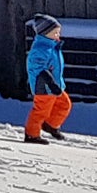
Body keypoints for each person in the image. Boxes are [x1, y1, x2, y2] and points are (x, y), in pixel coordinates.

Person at [22, 15, 71, 143]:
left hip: (56, 85)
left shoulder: (53, 47)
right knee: (41, 111)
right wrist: (50, 82)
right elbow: (38, 68)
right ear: (45, 33)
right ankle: (31, 134)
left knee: (64, 105)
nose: (58, 35)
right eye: (55, 32)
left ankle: (51, 125)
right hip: (44, 87)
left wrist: (56, 84)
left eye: (58, 32)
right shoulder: (40, 49)